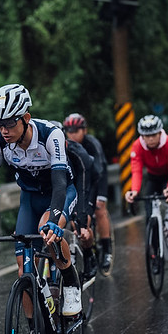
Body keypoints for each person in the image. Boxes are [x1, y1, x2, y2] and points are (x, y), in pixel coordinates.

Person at [0, 85, 82, 334]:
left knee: (47, 229)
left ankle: (71, 284)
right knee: (23, 269)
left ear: (26, 117)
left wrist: (56, 220)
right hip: (30, 199)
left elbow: (60, 183)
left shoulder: (51, 134)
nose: (3, 130)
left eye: (9, 123)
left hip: (60, 193)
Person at [63, 113, 114, 275]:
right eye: (69, 131)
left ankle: (107, 250)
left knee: (98, 209)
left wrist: (99, 197)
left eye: (76, 131)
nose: (72, 134)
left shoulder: (92, 144)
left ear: (84, 130)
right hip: (79, 181)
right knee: (74, 216)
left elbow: (98, 171)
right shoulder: (65, 146)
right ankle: (85, 250)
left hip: (96, 178)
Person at [124, 115, 168, 247]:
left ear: (160, 133)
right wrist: (135, 191)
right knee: (148, 208)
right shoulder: (137, 146)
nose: (150, 139)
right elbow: (136, 171)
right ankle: (154, 244)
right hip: (153, 176)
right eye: (147, 135)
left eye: (154, 135)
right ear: (142, 136)